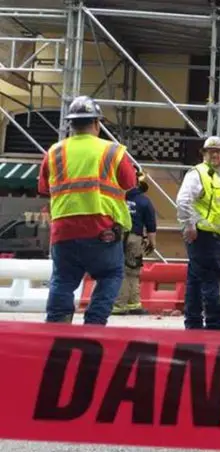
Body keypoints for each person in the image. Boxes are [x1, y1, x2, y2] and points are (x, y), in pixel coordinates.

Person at [38, 95, 137, 325]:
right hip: (101, 230)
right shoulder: (112, 151)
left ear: (71, 124)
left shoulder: (54, 152)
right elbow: (130, 183)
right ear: (96, 123)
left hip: (63, 231)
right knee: (111, 274)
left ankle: (57, 327)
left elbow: (44, 188)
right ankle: (93, 325)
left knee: (63, 279)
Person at [176, 136, 220, 331]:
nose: (215, 155)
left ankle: (193, 322)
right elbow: (183, 200)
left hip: (210, 236)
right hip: (203, 236)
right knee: (211, 279)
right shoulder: (199, 174)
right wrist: (190, 225)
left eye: (219, 152)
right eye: (211, 151)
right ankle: (214, 322)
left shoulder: (217, 178)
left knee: (195, 279)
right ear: (204, 154)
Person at [113, 171, 157, 315]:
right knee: (133, 271)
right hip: (136, 238)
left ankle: (119, 304)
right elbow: (151, 225)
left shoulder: (116, 198)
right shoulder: (144, 201)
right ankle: (134, 303)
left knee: (120, 271)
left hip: (117, 237)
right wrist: (152, 242)